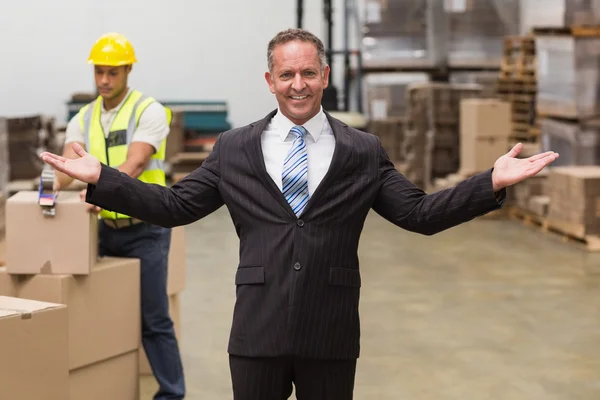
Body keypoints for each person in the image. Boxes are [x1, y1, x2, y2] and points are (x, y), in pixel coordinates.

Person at [42, 28, 558, 400]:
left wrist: (488, 183)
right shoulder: (234, 148)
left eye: (308, 72)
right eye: (286, 74)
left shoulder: (362, 150)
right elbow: (175, 206)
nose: (298, 84)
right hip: (257, 332)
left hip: (329, 332)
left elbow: (418, 213)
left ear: (325, 76)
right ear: (269, 80)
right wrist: (102, 179)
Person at [53, 32, 185, 400]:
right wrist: (47, 180)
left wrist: (102, 189)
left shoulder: (150, 111)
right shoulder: (83, 117)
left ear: (128, 70)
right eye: (99, 72)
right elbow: (67, 170)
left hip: (146, 229)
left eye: (112, 72)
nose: (104, 80)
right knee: (103, 312)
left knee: (153, 319)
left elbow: (137, 162)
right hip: (102, 230)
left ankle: (172, 394)